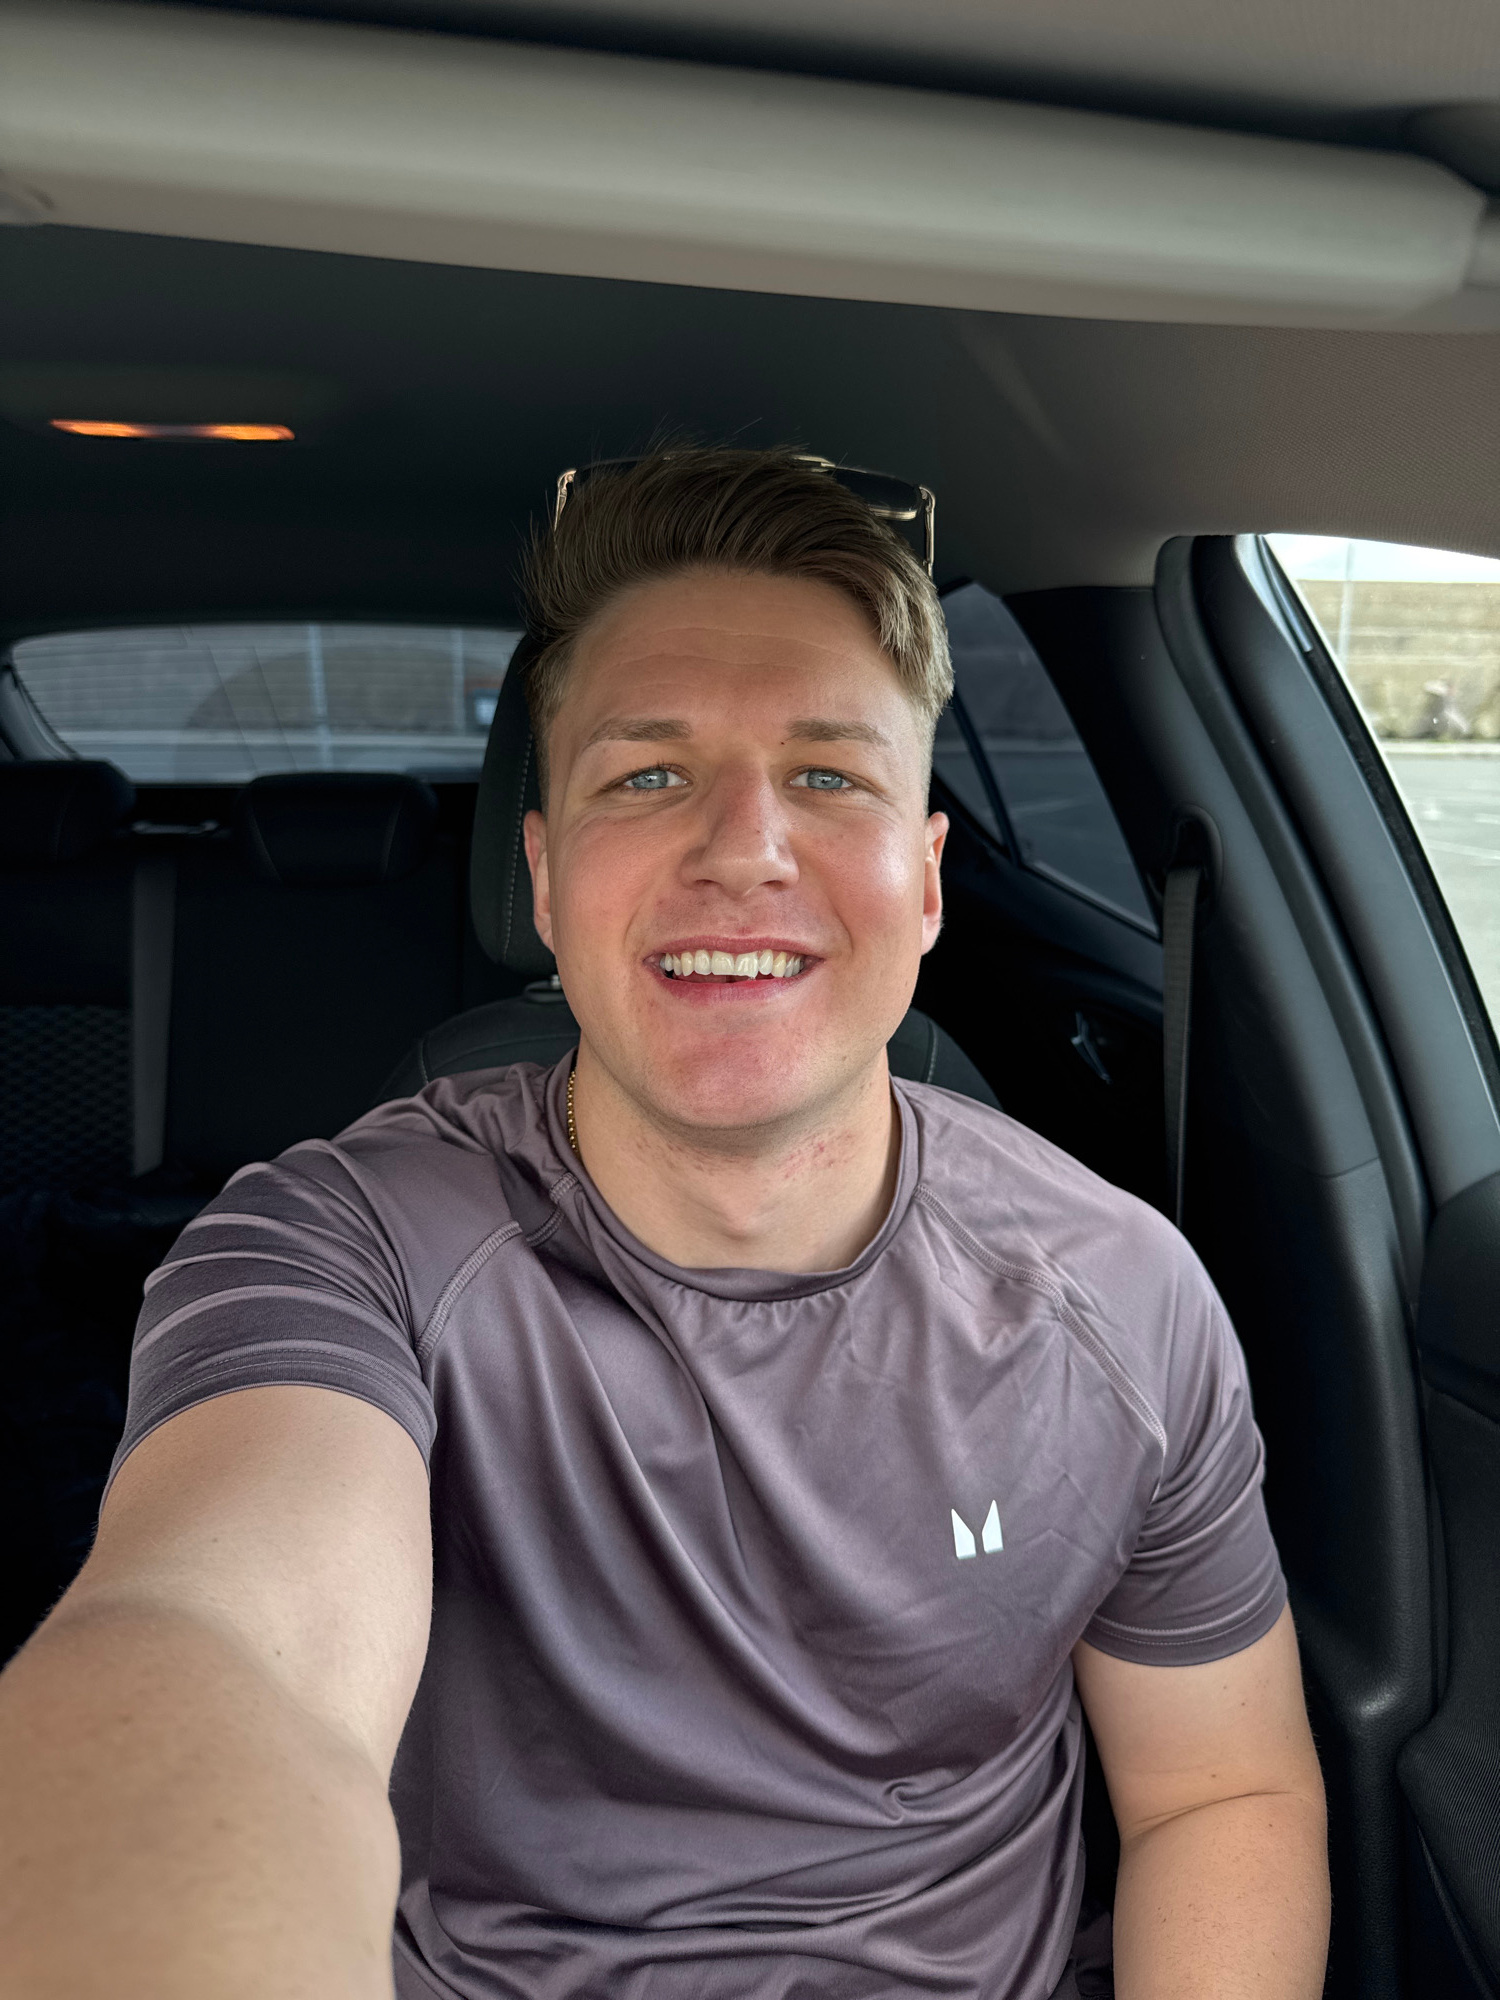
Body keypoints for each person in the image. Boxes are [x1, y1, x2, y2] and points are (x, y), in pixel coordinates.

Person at [0, 448, 1328, 2000]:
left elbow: (1219, 1791)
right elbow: (218, 1654)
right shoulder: (342, 1247)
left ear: (925, 883)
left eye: (829, 777)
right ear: (546, 877)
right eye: (648, 776)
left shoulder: (1122, 1295)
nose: (744, 847)